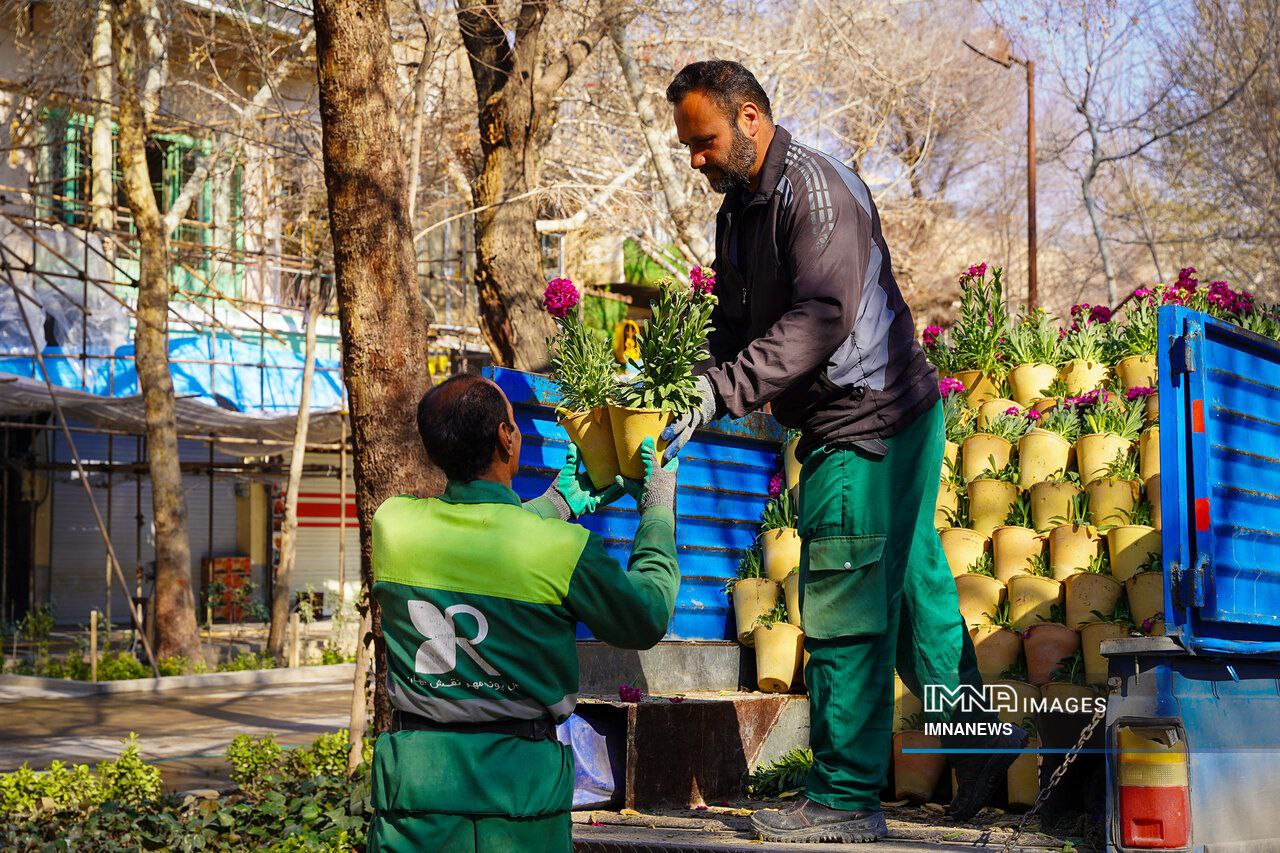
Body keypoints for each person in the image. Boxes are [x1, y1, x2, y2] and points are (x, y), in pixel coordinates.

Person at [660, 61, 1026, 844]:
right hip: (871, 416)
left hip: (870, 419)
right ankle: (983, 738)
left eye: (705, 140)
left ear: (751, 119)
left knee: (847, 604)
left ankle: (845, 796)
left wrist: (726, 389)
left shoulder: (815, 192)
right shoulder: (740, 211)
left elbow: (823, 317)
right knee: (907, 588)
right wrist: (696, 386)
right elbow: (735, 324)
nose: (694, 158)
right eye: (687, 145)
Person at [367, 374, 679, 852]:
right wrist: (657, 510)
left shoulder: (393, 526)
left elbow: (475, 539)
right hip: (520, 798)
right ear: (505, 438)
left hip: (417, 791)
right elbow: (647, 616)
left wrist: (555, 505)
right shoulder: (563, 551)